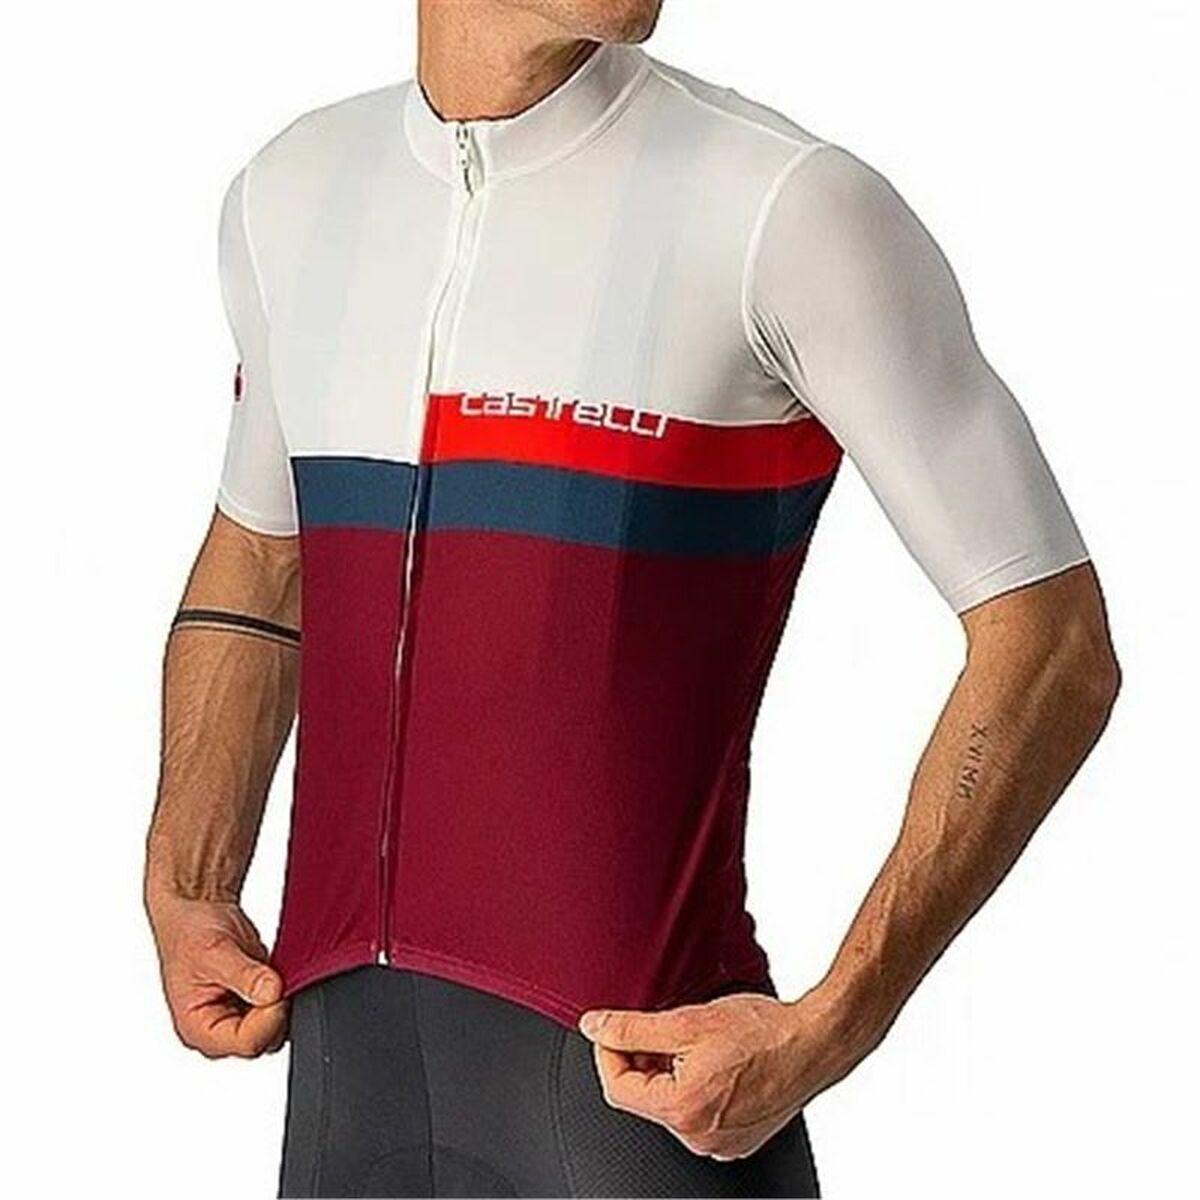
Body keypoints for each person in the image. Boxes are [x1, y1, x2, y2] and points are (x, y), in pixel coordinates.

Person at [144, 1, 1121, 1195]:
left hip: (639, 1102)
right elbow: (260, 559)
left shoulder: (784, 207)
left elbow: (1050, 640)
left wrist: (836, 1021)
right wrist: (188, 879)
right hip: (340, 1090)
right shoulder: (292, 195)